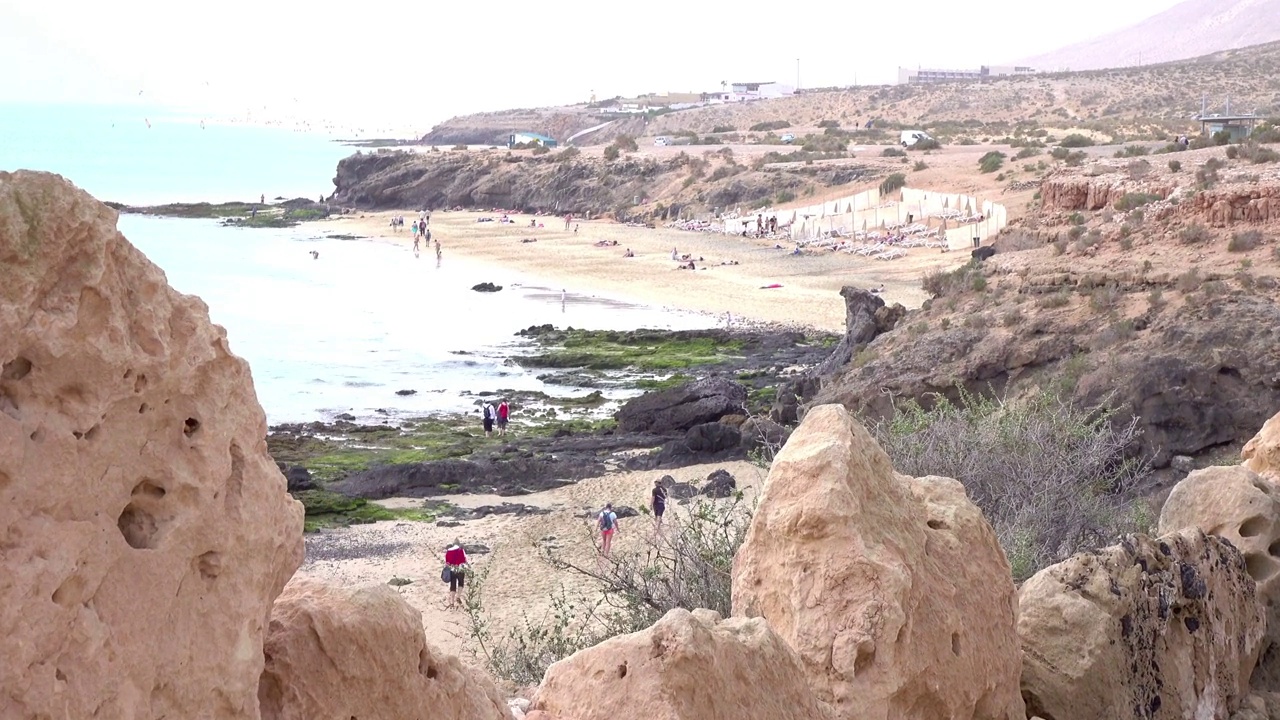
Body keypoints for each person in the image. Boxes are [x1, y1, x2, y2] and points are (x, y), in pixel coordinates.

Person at [444, 541, 469, 609]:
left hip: (452, 570)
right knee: (461, 583)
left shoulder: (448, 552)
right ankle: (458, 596)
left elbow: (447, 563)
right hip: (460, 569)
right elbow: (464, 559)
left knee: (453, 585)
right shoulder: (461, 550)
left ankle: (452, 602)